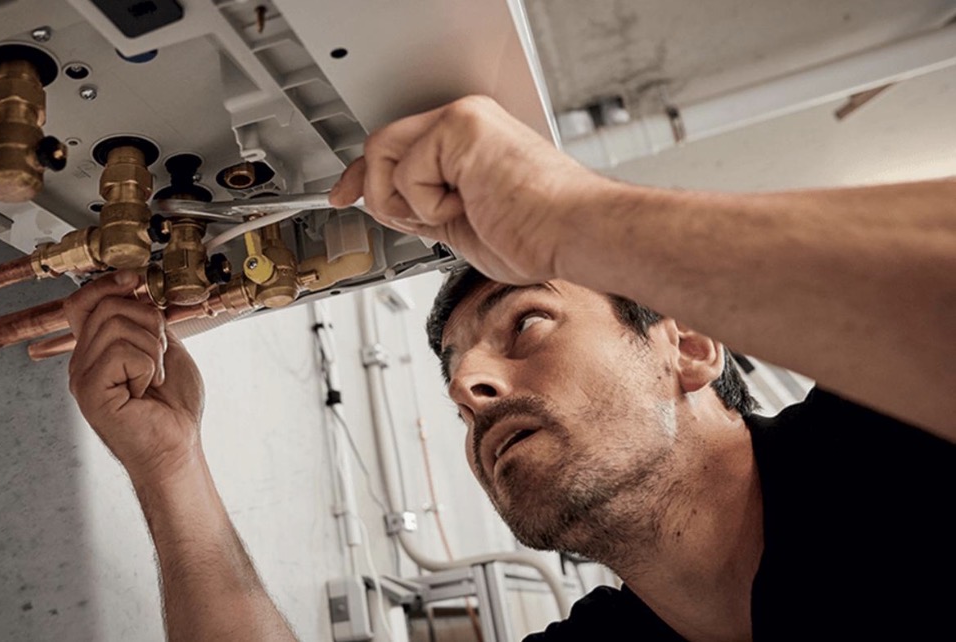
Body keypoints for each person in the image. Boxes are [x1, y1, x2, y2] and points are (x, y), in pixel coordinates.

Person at [64, 96, 956, 641]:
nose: (466, 389)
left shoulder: (893, 451)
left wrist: (570, 216)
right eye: (455, 386)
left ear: (685, 345)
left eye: (527, 323)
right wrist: (168, 465)